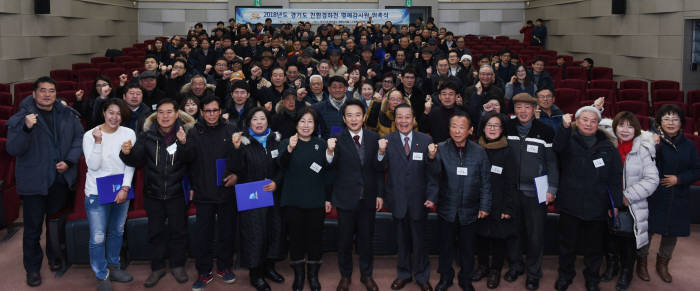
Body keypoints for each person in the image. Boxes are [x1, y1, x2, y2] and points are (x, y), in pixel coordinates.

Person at [7, 76, 84, 287]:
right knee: (32, 229)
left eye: (51, 90)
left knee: (55, 225)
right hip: (34, 182)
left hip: (59, 180)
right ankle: (32, 269)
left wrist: (69, 161)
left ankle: (55, 258)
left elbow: (79, 139)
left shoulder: (67, 114)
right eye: (42, 90)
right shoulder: (21, 118)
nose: (47, 94)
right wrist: (26, 129)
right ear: (34, 94)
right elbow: (13, 149)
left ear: (56, 94)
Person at [119, 98, 196, 288]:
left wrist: (184, 143)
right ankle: (157, 267)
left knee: (179, 232)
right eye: (161, 112)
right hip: (153, 193)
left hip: (177, 192)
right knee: (155, 232)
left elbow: (192, 159)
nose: (165, 116)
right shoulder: (146, 136)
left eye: (169, 112)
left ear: (177, 114)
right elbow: (136, 160)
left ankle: (178, 265)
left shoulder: (186, 133)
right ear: (156, 115)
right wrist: (126, 153)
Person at [553, 106, 623, 291]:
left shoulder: (608, 147)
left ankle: (592, 278)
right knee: (567, 245)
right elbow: (557, 148)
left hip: (597, 205)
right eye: (585, 119)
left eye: (593, 121)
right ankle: (565, 275)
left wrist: (614, 203)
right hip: (570, 202)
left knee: (594, 248)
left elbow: (616, 177)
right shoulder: (567, 140)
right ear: (577, 121)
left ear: (598, 124)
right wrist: (564, 128)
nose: (589, 124)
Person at [179, 96, 238, 291]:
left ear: (220, 111)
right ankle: (204, 271)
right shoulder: (194, 132)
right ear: (202, 112)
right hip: (203, 192)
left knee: (226, 232)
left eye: (215, 110)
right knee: (203, 235)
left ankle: (224, 266)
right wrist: (183, 144)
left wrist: (236, 175)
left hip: (226, 191)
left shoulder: (231, 130)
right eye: (207, 111)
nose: (211, 114)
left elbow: (239, 158)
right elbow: (187, 161)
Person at [327, 98, 385, 291]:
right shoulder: (337, 139)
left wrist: (379, 194)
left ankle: (366, 275)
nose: (354, 119)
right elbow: (330, 166)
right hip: (345, 198)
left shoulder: (373, 137)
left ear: (364, 117)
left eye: (358, 115)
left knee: (366, 240)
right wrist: (329, 151)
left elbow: (378, 168)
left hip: (368, 198)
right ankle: (345, 275)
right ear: (343, 118)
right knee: (344, 241)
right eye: (349, 115)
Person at [429, 112, 492, 291]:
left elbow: (486, 182)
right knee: (446, 247)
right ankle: (445, 278)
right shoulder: (440, 148)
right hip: (447, 207)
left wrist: (485, 206)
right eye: (454, 127)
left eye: (462, 127)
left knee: (467, 248)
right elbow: (433, 174)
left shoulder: (479, 151)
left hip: (471, 209)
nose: (457, 131)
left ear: (470, 130)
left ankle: (466, 279)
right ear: (449, 129)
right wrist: (432, 158)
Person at [503, 93, 558, 290]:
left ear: (535, 110)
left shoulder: (546, 130)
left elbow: (552, 162)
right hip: (511, 191)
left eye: (527, 107)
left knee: (536, 235)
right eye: (519, 107)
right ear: (514, 110)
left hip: (537, 191)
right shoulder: (506, 128)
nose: (523, 111)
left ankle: (534, 273)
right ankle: (516, 265)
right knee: (513, 232)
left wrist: (552, 188)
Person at [641, 104, 700, 283]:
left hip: (678, 193)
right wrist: (655, 146)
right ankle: (641, 263)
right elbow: (641, 165)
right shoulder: (650, 140)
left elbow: (697, 170)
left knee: (671, 232)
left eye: (675, 119)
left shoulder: (689, 145)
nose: (671, 122)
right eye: (666, 119)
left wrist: (679, 179)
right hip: (654, 193)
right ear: (659, 122)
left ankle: (662, 264)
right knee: (647, 229)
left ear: (682, 122)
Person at [82, 98, 136, 291]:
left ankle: (114, 267)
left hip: (121, 190)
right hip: (96, 192)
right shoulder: (91, 134)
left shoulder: (129, 133)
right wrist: (98, 142)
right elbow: (93, 166)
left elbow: (130, 163)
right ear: (104, 112)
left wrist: (125, 188)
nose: (115, 117)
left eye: (119, 113)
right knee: (97, 236)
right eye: (111, 112)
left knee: (117, 231)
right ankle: (101, 273)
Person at [382, 103, 436, 291]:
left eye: (407, 117)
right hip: (397, 199)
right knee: (401, 241)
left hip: (419, 201)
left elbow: (433, 173)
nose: (403, 121)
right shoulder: (387, 140)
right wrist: (380, 153)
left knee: (420, 241)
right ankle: (403, 274)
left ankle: (422, 276)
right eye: (399, 117)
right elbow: (379, 170)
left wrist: (431, 196)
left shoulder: (426, 140)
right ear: (395, 120)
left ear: (414, 120)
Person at [230, 107, 285, 291]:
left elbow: (282, 167)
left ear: (268, 122)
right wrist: (236, 149)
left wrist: (276, 183)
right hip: (251, 195)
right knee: (255, 235)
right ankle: (256, 274)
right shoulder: (243, 142)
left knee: (274, 231)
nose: (259, 122)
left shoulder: (276, 141)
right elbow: (236, 168)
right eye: (255, 119)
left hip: (273, 193)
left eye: (263, 118)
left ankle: (269, 267)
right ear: (249, 122)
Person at [278, 107, 329, 291]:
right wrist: (290, 149)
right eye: (302, 121)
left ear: (315, 125)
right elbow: (280, 166)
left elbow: (328, 173)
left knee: (315, 239)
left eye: (310, 122)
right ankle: (299, 276)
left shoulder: (321, 144)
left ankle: (313, 276)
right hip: (292, 200)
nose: (306, 125)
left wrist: (327, 198)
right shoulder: (286, 143)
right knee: (297, 239)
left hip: (316, 200)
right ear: (296, 123)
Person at [607, 112, 659, 291]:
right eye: (621, 125)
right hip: (609, 201)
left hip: (632, 203)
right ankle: (612, 266)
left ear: (636, 129)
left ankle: (626, 272)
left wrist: (627, 196)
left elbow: (652, 180)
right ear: (615, 127)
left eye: (630, 126)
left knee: (627, 240)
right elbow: (587, 120)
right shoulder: (609, 145)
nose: (625, 130)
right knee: (610, 236)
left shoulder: (643, 149)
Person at [471, 112, 518, 289]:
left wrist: (508, 208)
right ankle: (482, 266)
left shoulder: (507, 151)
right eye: (489, 125)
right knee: (481, 236)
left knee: (498, 238)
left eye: (496, 125)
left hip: (500, 203)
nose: (492, 128)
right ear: (483, 128)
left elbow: (511, 181)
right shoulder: (474, 148)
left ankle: (495, 270)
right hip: (479, 202)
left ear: (502, 129)